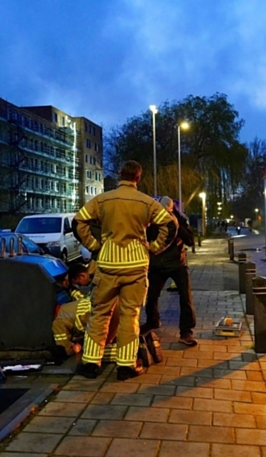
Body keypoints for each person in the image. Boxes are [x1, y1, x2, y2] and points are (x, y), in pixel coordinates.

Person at [74, 160, 177, 381]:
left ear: (120, 174)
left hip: (108, 265)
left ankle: (91, 363)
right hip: (136, 266)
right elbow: (170, 226)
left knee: (100, 313)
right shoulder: (147, 202)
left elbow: (79, 222)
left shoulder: (102, 199)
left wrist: (93, 245)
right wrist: (154, 248)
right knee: (130, 315)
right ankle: (126, 365)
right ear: (138, 178)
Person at [141, 196, 197, 346]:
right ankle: (152, 321)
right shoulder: (152, 220)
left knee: (185, 297)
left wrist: (177, 228)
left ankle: (186, 332)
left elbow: (190, 240)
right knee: (151, 296)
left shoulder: (179, 219)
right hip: (158, 265)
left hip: (178, 263)